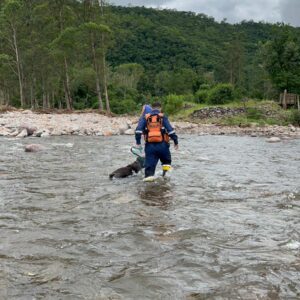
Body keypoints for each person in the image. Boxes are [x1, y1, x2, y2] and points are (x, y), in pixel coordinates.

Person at [135, 102, 178, 180]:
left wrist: (138, 143)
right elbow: (171, 131)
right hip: (163, 146)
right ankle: (165, 181)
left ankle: (149, 188)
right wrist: (175, 142)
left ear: (151, 108)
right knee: (166, 163)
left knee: (149, 171)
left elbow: (138, 131)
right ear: (160, 108)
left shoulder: (146, 117)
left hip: (150, 147)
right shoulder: (163, 117)